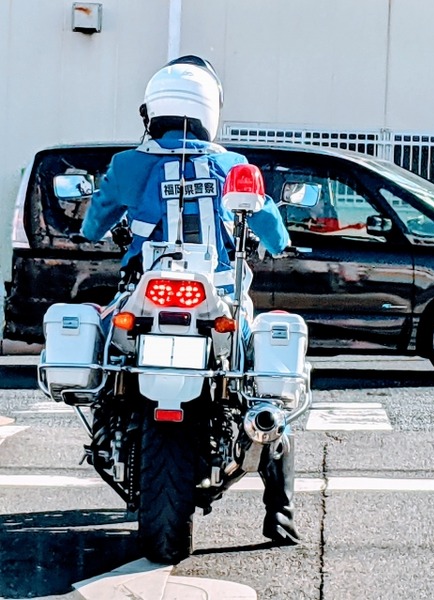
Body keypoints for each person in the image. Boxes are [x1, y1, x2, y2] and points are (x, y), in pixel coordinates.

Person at [79, 55, 300, 545]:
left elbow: (93, 225)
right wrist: (278, 241)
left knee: (109, 366)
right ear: (209, 110)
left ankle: (108, 431)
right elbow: (274, 232)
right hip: (219, 297)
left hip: (145, 294)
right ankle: (280, 513)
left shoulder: (128, 165)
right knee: (264, 388)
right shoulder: (234, 167)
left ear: (152, 109)